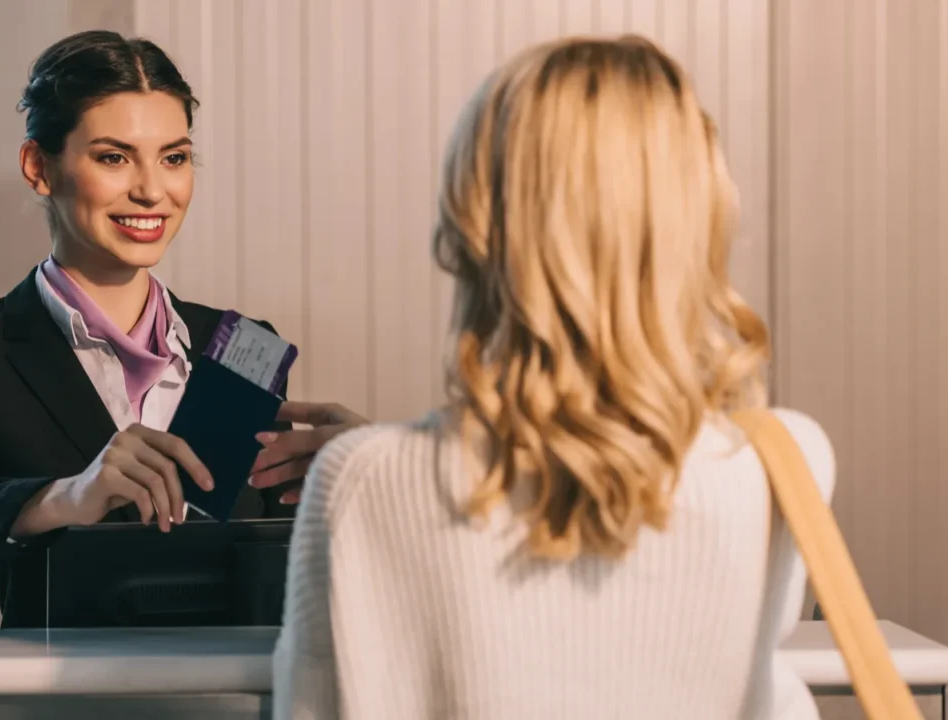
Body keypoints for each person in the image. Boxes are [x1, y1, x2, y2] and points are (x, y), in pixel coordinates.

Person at [272, 36, 833, 719]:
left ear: (475, 223)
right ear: (697, 220)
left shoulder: (357, 479)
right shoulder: (788, 460)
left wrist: (390, 461)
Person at [0, 30, 296, 628]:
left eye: (174, 158)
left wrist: (347, 482)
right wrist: (62, 496)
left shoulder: (247, 344)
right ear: (38, 166)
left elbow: (290, 547)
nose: (152, 190)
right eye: (114, 157)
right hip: (62, 703)